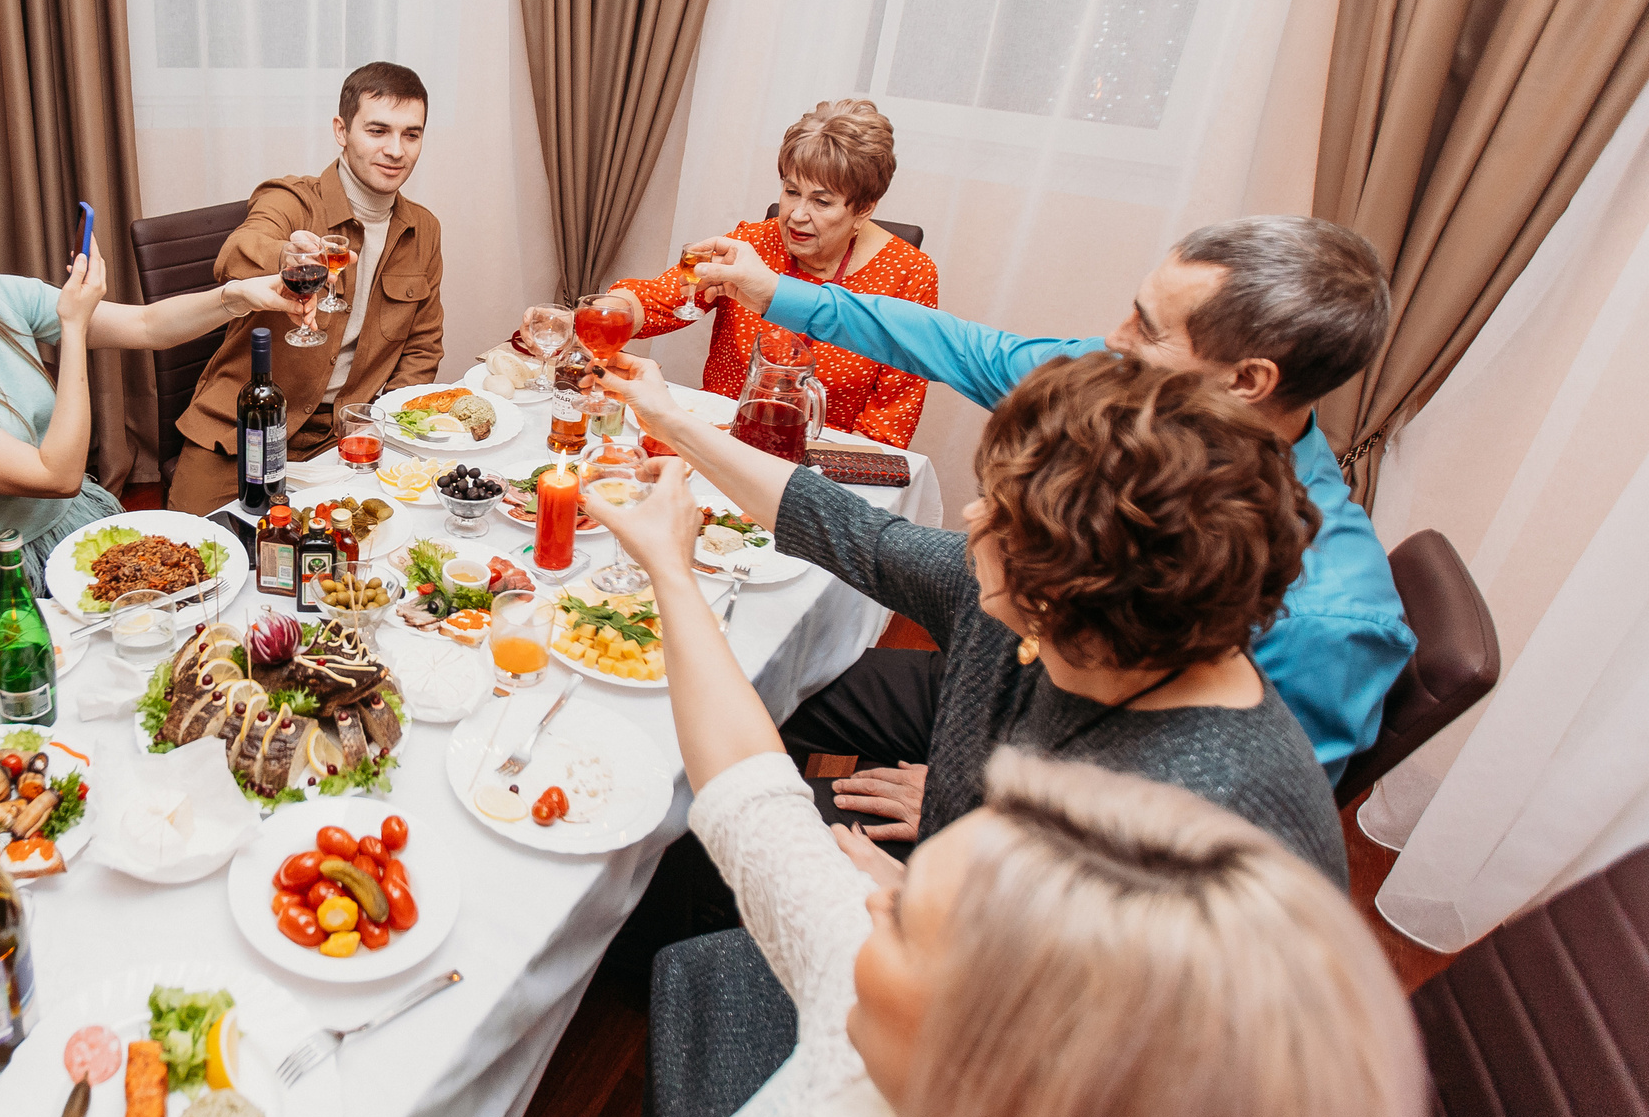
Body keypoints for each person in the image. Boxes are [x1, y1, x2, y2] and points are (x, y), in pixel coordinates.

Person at [590, 460, 1426, 1117]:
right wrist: (670, 568)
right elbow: (752, 793)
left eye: (905, 916)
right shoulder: (869, 994)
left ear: (1004, 1056)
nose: (870, 901)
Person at [686, 212, 1411, 779]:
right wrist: (773, 292)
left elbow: (1219, 830)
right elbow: (962, 349)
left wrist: (977, 797)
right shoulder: (1118, 391)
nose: (1110, 339)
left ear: (1247, 381)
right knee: (765, 678)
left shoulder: (1330, 615)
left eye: (1147, 329)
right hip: (1011, 670)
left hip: (1059, 814)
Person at [602, 349, 1346, 878]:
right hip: (965, 897)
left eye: (999, 510)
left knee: (683, 886)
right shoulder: (1097, 620)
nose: (970, 513)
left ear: (1062, 588)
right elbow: (859, 532)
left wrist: (927, 896)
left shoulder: (1202, 822)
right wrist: (675, 423)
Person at [0, 154, 305, 629]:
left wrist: (235, 297)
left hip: (66, 526)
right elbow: (58, 476)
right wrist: (73, 328)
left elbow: (146, 326)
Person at [168, 61, 447, 514]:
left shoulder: (424, 230)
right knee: (203, 549)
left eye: (411, 135)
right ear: (342, 130)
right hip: (242, 430)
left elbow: (422, 347)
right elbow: (235, 253)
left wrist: (382, 422)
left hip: (344, 438)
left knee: (365, 548)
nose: (396, 150)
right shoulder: (291, 198)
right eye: (378, 131)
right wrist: (288, 257)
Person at [607, 99, 938, 446]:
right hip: (717, 440)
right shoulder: (753, 243)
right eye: (791, 192)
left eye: (822, 202)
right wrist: (604, 312)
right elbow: (661, 301)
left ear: (865, 208)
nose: (796, 214)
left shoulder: (909, 275)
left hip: (822, 458)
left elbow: (886, 429)